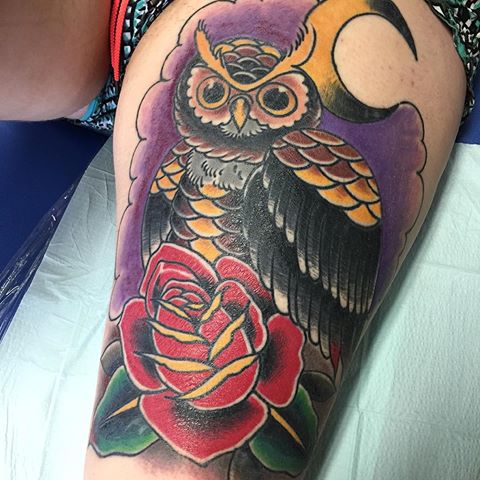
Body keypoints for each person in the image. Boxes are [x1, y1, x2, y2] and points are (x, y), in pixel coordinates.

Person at [1, 1, 478, 479]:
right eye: (215, 93)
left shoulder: (302, 160)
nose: (240, 115)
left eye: (273, 99)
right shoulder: (179, 167)